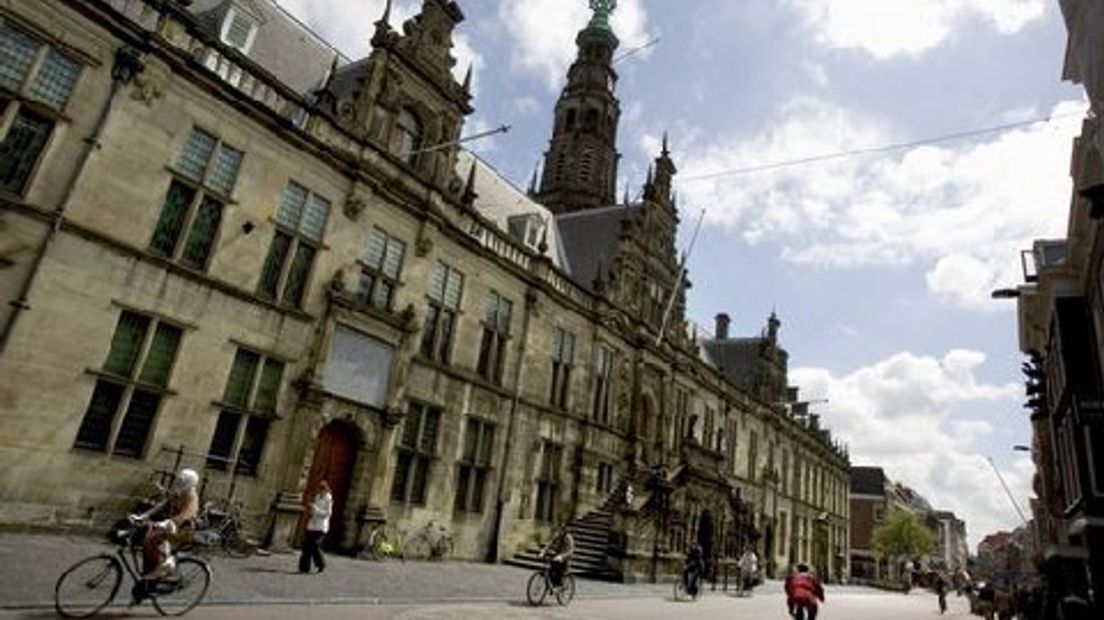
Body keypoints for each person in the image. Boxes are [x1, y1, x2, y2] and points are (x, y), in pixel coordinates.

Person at [133, 468, 200, 580]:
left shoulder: (192, 496)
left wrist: (169, 521)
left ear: (189, 482)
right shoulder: (179, 491)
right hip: (171, 525)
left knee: (156, 539)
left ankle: (164, 569)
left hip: (183, 529)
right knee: (147, 540)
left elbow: (188, 513)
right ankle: (151, 569)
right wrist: (144, 515)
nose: (178, 482)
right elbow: (163, 504)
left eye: (182, 480)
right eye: (178, 480)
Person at [299, 480, 332, 573]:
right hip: (312, 525)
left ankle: (321, 564)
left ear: (325, 490)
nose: (320, 492)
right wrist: (311, 510)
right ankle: (304, 567)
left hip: (321, 526)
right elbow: (314, 510)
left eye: (322, 490)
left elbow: (327, 514)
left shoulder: (328, 499)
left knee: (315, 546)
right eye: (319, 490)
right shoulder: (317, 497)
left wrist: (315, 509)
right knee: (306, 546)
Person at [540, 523, 575, 590]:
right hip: (557, 555)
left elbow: (570, 550)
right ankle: (551, 583)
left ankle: (559, 584)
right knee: (551, 568)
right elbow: (549, 544)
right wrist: (543, 551)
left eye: (562, 531)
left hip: (566, 557)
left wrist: (562, 556)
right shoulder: (557, 536)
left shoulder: (569, 539)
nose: (560, 532)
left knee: (559, 571)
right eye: (560, 530)